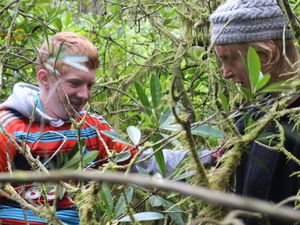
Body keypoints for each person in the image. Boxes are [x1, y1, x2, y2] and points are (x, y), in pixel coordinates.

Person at [0, 32, 211, 224]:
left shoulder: (92, 129)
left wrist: (207, 158)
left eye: (90, 85)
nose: (84, 95)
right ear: (45, 78)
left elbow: (143, 161)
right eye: (75, 83)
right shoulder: (8, 128)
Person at [209, 0, 300, 224]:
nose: (225, 73)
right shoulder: (255, 110)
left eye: (229, 59)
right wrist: (134, 156)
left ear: (267, 55)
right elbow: (217, 158)